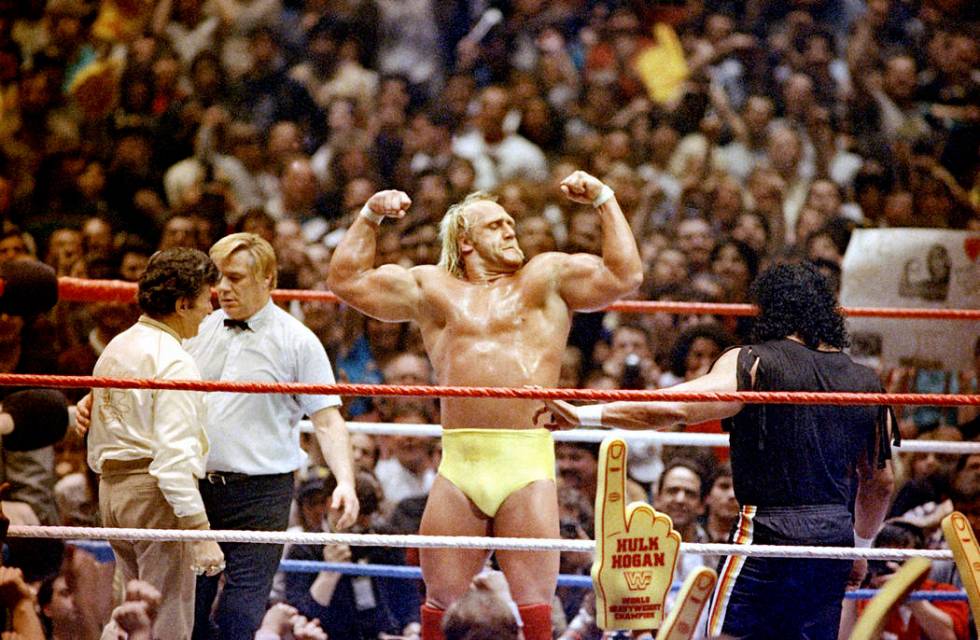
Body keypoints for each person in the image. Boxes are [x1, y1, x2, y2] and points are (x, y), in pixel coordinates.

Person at [328, 170, 643, 640]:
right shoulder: (432, 289)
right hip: (460, 462)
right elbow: (347, 281)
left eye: (509, 222)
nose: (509, 228)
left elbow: (625, 274)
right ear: (465, 241)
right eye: (495, 224)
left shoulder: (545, 277)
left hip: (525, 458)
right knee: (439, 605)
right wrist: (371, 215)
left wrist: (603, 198)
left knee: (536, 607)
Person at [546, 261, 896, 640]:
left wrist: (587, 415)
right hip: (833, 538)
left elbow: (674, 407)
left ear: (769, 310)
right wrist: (859, 548)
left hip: (767, 532)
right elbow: (880, 483)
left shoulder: (755, 362)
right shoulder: (866, 381)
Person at [185, 233, 359, 639]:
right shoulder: (202, 327)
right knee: (188, 608)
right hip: (195, 488)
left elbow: (327, 419)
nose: (223, 288)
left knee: (241, 614)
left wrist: (346, 482)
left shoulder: (297, 341)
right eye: (219, 278)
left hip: (261, 492)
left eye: (235, 278)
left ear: (269, 279)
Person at [86, 247, 224, 640]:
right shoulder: (173, 361)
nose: (210, 312)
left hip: (113, 493)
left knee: (130, 613)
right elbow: (173, 459)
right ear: (183, 304)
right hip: (153, 496)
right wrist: (200, 532)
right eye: (205, 301)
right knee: (166, 620)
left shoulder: (117, 346)